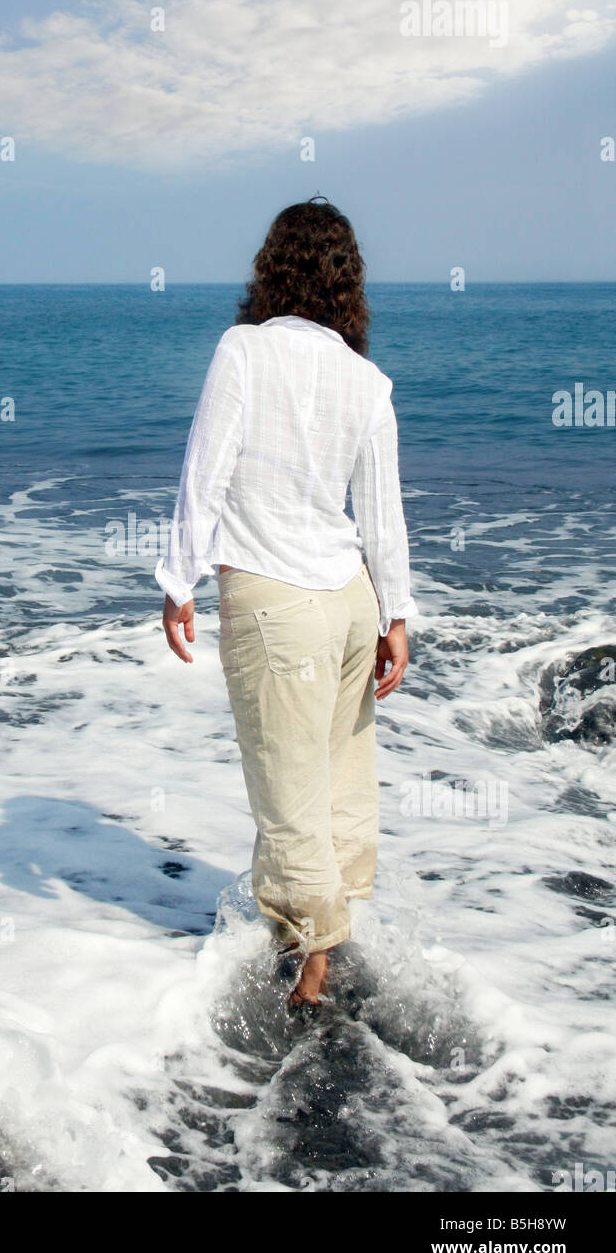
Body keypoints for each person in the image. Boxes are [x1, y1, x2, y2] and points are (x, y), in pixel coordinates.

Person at [155, 197, 417, 1009]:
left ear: (272, 267)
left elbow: (208, 469)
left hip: (275, 598)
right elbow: (382, 513)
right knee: (337, 784)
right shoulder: (366, 380)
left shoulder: (243, 350)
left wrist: (178, 578)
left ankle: (311, 980)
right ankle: (310, 949)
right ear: (349, 285)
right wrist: (397, 617)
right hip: (347, 599)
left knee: (287, 791)